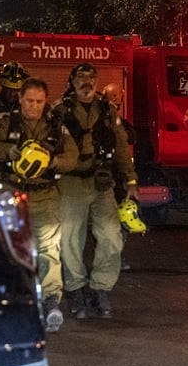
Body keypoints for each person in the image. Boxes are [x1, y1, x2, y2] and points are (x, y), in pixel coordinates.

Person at [0, 77, 78, 333]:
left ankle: (50, 302)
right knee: (10, 249)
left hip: (45, 195)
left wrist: (52, 161)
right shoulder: (6, 121)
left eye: (39, 101)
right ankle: (12, 301)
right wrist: (10, 152)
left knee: (48, 250)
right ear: (20, 99)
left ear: (45, 101)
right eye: (29, 101)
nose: (34, 106)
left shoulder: (56, 125)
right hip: (12, 193)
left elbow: (72, 156)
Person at [54, 64, 135, 320]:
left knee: (112, 236)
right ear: (72, 80)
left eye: (91, 77)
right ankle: (76, 291)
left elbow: (121, 147)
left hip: (102, 183)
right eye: (81, 76)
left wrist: (131, 180)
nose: (86, 81)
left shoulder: (108, 111)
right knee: (69, 241)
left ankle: (100, 289)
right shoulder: (58, 110)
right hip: (70, 182)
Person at [101, 82, 138, 272]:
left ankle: (114, 257)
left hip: (112, 180)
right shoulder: (103, 122)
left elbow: (130, 137)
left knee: (115, 220)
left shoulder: (118, 124)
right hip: (109, 180)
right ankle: (114, 257)